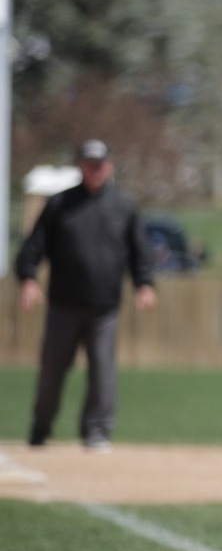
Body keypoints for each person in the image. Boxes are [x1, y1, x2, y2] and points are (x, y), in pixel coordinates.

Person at [13, 139, 158, 453]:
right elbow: (34, 246)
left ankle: (97, 432)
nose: (96, 169)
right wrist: (28, 278)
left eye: (100, 164)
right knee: (52, 370)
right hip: (63, 304)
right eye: (90, 164)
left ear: (110, 166)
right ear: (81, 166)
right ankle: (40, 429)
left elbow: (140, 251)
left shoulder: (123, 205)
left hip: (105, 307)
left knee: (103, 371)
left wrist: (144, 284)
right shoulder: (60, 204)